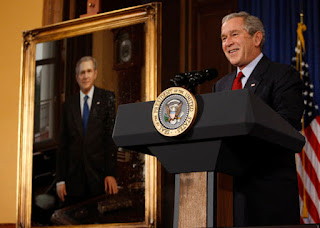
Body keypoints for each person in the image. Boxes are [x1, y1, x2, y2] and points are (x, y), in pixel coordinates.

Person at [214, 12, 304, 226]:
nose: (228, 43)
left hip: (268, 195)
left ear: (257, 38)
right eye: (224, 38)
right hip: (226, 195)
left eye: (234, 34)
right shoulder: (221, 86)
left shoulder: (283, 75)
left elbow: (286, 126)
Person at [56, 56, 118, 206]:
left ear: (95, 74)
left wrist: (110, 173)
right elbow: (63, 144)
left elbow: (111, 139)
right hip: (73, 179)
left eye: (89, 71)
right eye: (82, 73)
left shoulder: (107, 98)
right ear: (77, 77)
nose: (85, 76)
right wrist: (60, 179)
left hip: (100, 177)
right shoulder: (68, 105)